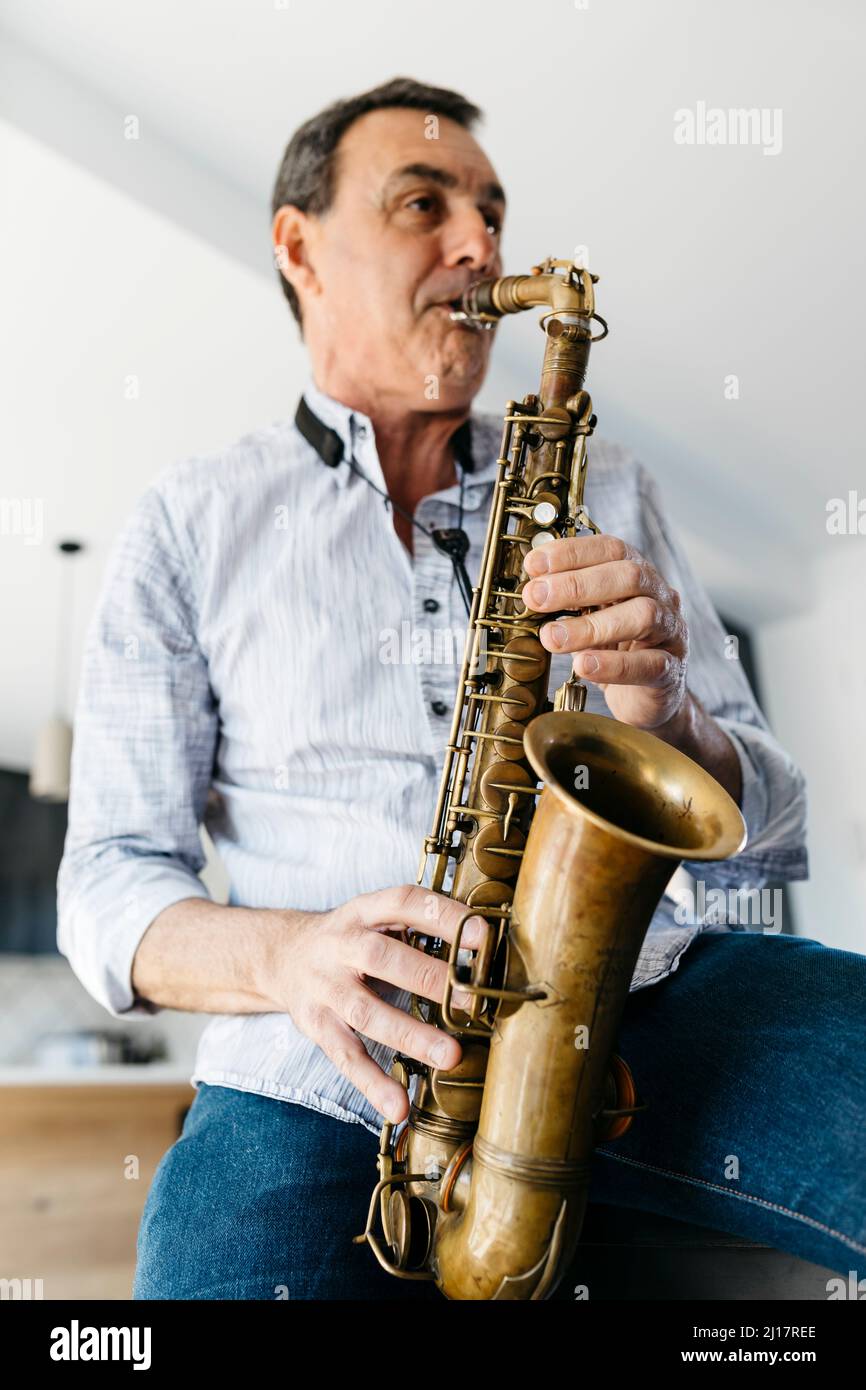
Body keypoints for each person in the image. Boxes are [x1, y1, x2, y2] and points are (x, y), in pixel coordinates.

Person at [57, 77, 864, 1301]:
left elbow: (774, 830)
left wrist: (666, 717)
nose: (482, 244)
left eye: (490, 209)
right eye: (422, 203)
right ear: (299, 246)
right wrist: (288, 960)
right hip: (319, 1070)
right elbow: (108, 884)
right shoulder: (185, 521)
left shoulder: (618, 482)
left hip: (642, 998)